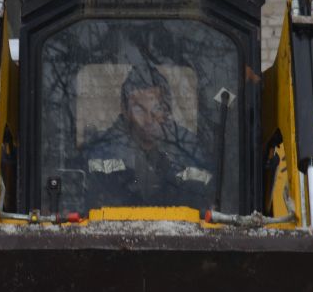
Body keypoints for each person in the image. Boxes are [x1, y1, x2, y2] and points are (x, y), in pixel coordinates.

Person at [81, 64, 215, 207]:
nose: (149, 120)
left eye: (157, 108)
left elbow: (205, 204)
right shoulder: (101, 153)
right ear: (125, 111)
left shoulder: (190, 151)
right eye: (139, 109)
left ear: (167, 110)